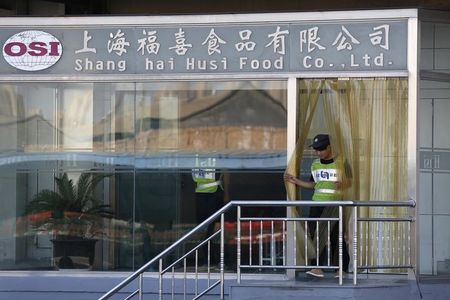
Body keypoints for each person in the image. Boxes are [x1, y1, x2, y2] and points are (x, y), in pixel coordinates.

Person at [284, 134, 351, 278]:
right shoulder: (315, 164)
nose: (318, 152)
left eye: (321, 149)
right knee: (315, 237)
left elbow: (350, 181)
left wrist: (342, 184)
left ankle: (341, 269)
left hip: (335, 204)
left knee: (336, 237)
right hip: (317, 204)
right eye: (316, 149)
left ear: (329, 147)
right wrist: (296, 181)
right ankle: (317, 267)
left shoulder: (342, 161)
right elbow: (313, 184)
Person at [192, 155, 227, 265]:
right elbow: (195, 177)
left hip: (215, 194)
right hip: (201, 196)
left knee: (213, 229)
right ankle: (209, 259)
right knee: (203, 230)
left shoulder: (216, 156)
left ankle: (217, 260)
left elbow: (217, 175)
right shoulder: (197, 157)